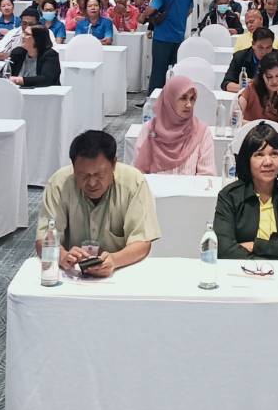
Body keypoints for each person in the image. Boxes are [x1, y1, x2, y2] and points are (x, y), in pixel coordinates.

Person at [39, 130, 159, 278]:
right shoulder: (59, 184)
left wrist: (114, 260)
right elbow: (43, 239)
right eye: (83, 175)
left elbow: (142, 242)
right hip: (73, 272)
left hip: (121, 271)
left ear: (114, 164)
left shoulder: (134, 182)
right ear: (73, 167)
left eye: (99, 174)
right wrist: (62, 255)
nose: (92, 183)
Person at [212, 122, 278, 259]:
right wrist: (264, 265)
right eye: (259, 154)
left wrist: (256, 246)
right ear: (247, 160)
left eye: (274, 154)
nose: (268, 162)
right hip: (242, 270)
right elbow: (224, 249)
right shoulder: (229, 196)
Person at [133, 75, 215, 175]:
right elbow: (138, 174)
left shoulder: (202, 132)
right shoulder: (150, 130)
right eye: (183, 98)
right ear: (169, 100)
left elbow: (207, 175)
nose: (189, 104)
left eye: (192, 99)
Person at [144, 0, 194, 92]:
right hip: (179, 36)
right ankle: (173, 98)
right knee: (174, 72)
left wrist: (143, 15)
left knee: (158, 72)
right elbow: (190, 10)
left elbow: (152, 9)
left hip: (162, 37)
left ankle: (154, 99)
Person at [236, 50, 278, 126]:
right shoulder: (251, 89)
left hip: (271, 133)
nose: (274, 81)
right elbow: (235, 119)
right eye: (269, 77)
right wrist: (260, 126)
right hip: (250, 131)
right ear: (262, 76)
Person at [222, 27, 276, 92]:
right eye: (260, 47)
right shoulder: (240, 57)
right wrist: (245, 87)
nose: (264, 52)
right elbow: (226, 84)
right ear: (253, 44)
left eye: (268, 48)